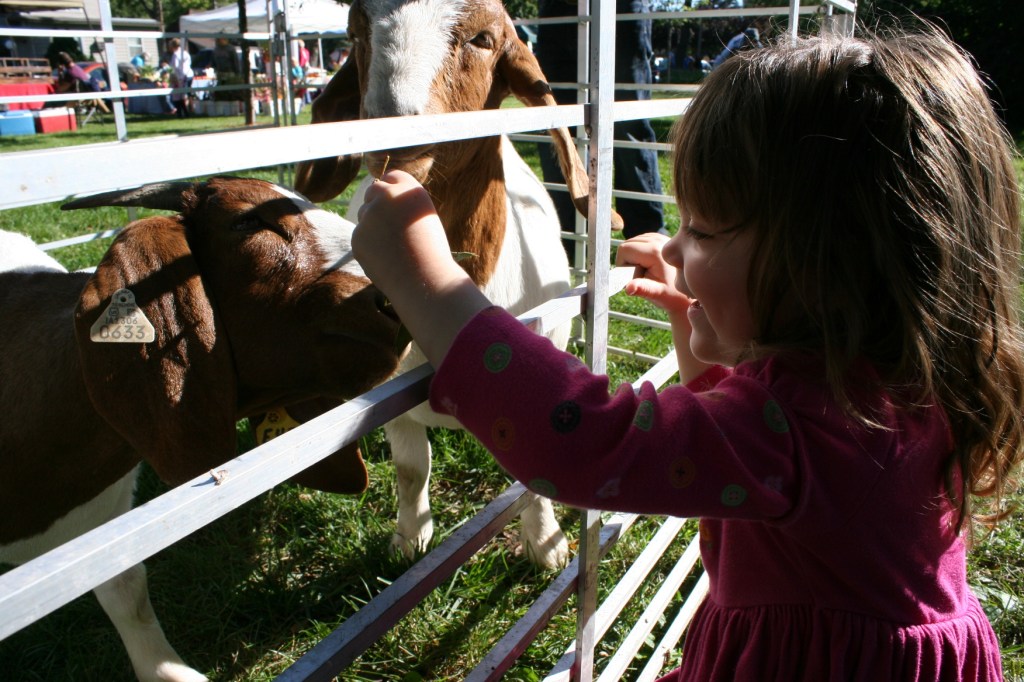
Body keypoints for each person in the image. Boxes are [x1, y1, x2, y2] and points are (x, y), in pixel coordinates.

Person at [351, 24, 1024, 681]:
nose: (672, 247)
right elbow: (739, 459)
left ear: (818, 269)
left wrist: (431, 286)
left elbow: (584, 441)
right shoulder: (907, 382)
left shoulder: (805, 430)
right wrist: (702, 326)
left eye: (700, 230)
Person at [535, 0, 665, 260]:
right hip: (558, 11)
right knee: (557, 124)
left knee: (630, 123)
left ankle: (647, 239)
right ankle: (568, 242)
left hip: (621, 7)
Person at [165, 37, 193, 117]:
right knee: (187, 93)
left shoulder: (176, 54)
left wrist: (175, 76)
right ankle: (188, 111)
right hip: (189, 74)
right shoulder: (185, 53)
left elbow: (176, 67)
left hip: (181, 76)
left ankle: (182, 113)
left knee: (179, 95)